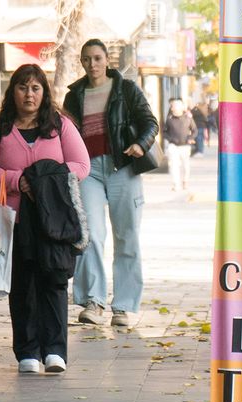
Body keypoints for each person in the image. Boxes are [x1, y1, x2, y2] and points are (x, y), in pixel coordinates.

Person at [0, 64, 90, 374]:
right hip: (15, 219)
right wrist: (16, 180)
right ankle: (27, 352)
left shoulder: (60, 126)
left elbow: (81, 165)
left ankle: (55, 351)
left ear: (44, 92)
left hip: (55, 219)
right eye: (23, 87)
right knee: (22, 284)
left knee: (54, 281)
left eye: (35, 88)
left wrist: (43, 180)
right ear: (13, 91)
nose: (29, 94)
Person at [63, 38, 159, 327]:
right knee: (90, 233)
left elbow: (150, 122)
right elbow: (67, 132)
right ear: (82, 62)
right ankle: (93, 301)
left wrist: (141, 145)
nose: (92, 64)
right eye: (86, 59)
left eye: (97, 58)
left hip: (123, 165)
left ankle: (124, 307)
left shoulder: (126, 89)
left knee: (126, 236)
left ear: (107, 60)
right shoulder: (74, 95)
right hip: (88, 169)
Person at [164, 98, 197, 192]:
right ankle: (176, 184)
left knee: (186, 166)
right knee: (174, 166)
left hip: (185, 146)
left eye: (177, 106)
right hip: (173, 146)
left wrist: (190, 138)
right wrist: (170, 139)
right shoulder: (169, 119)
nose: (174, 108)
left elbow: (195, 130)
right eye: (173, 106)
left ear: (182, 108)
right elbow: (164, 132)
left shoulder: (188, 118)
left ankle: (185, 181)